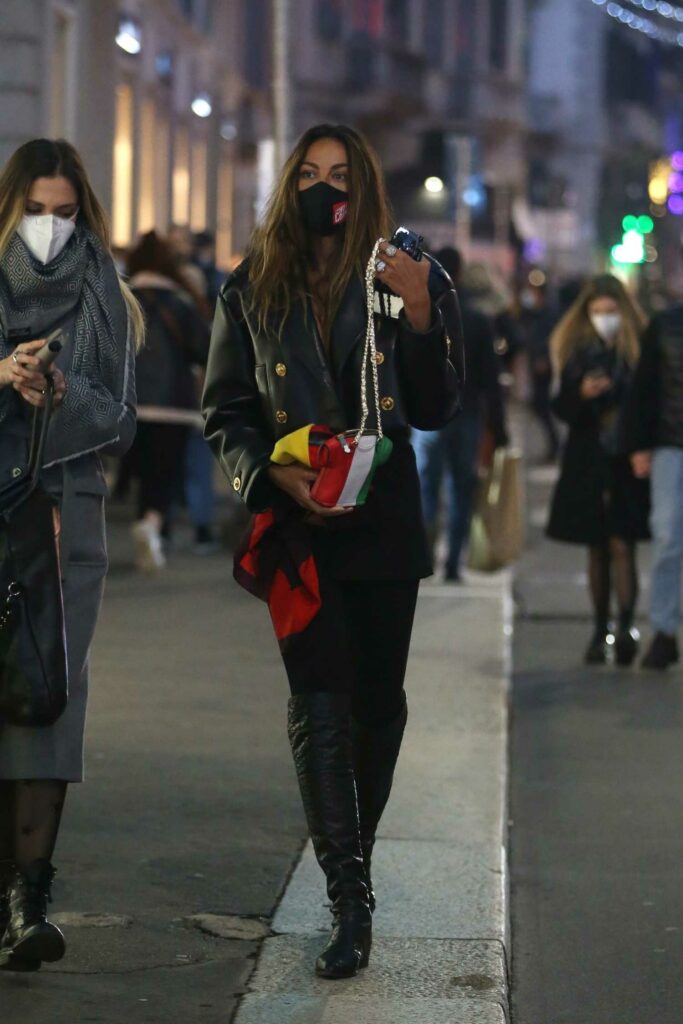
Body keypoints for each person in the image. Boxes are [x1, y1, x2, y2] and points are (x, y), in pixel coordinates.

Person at [203, 123, 463, 979]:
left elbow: (433, 408)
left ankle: (354, 859)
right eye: (308, 173)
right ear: (288, 185)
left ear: (365, 186)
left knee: (374, 708)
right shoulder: (251, 288)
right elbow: (226, 411)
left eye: (340, 174)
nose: (323, 188)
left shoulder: (405, 273)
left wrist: (423, 310)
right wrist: (273, 481)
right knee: (318, 702)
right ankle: (349, 901)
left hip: (383, 521)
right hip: (299, 525)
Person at [0, 138, 141, 970]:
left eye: (65, 213)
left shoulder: (106, 297)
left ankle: (30, 904)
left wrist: (62, 392)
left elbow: (120, 417)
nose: (50, 228)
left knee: (48, 696)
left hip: (63, 516)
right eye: (35, 212)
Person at [546, 274, 648, 666]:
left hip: (625, 455)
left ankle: (625, 625)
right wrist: (581, 394)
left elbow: (647, 402)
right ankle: (599, 627)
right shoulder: (576, 350)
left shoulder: (636, 349)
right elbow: (561, 407)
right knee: (596, 545)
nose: (605, 319)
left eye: (611, 312)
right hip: (588, 455)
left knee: (623, 543)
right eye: (598, 312)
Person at [412, 247, 508, 581]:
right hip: (466, 414)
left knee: (426, 486)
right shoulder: (477, 319)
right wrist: (498, 427)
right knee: (461, 489)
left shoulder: (419, 313)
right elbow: (490, 380)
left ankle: (423, 556)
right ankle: (453, 562)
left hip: (426, 417)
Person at [125, 231, 210, 572]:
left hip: (131, 403)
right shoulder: (181, 302)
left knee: (146, 472)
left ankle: (150, 529)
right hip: (173, 404)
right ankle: (153, 525)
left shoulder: (124, 299)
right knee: (165, 472)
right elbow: (204, 349)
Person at [622, 295, 683, 669]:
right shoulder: (665, 324)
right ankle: (664, 632)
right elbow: (644, 387)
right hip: (669, 444)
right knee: (667, 537)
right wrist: (639, 444)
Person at [516, 280, 560, 463]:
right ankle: (554, 443)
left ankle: (555, 444)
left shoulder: (549, 314)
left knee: (542, 405)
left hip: (544, 368)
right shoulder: (533, 314)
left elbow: (550, 338)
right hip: (535, 366)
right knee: (539, 405)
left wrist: (544, 358)